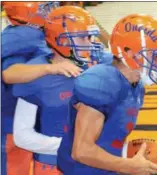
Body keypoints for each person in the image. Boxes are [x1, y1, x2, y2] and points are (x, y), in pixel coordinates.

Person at [57, 14, 157, 175]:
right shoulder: (102, 82)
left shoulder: (136, 84)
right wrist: (130, 166)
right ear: (128, 52)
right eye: (154, 56)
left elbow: (111, 137)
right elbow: (81, 150)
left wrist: (150, 156)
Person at [11, 6, 113, 175]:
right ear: (62, 40)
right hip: (54, 165)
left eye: (90, 37)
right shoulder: (34, 74)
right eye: (83, 38)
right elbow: (22, 136)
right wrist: (74, 145)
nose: (90, 44)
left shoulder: (100, 64)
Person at [1, 2, 82, 175]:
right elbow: (9, 74)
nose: (50, 11)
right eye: (44, 7)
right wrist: (50, 68)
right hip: (13, 119)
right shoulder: (22, 35)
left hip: (35, 115)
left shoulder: (30, 33)